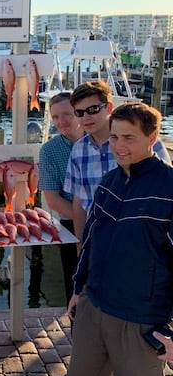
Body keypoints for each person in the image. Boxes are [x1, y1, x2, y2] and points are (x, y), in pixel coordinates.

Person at [45, 102, 173, 376]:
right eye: (114, 137)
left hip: (140, 316)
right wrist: (78, 287)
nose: (118, 145)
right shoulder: (111, 181)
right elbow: (93, 242)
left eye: (129, 138)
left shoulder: (169, 188)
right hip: (93, 306)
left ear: (152, 138)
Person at [63, 80, 170, 249]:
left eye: (93, 109)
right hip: (98, 242)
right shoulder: (78, 151)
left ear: (109, 107)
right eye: (80, 112)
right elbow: (79, 204)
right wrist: (81, 249)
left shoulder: (150, 144)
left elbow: (164, 192)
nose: (86, 117)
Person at [38, 92, 84, 304]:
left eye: (66, 114)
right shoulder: (49, 150)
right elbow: (53, 200)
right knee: (75, 288)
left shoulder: (106, 141)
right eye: (55, 117)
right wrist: (85, 221)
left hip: (111, 224)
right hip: (72, 225)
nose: (61, 122)